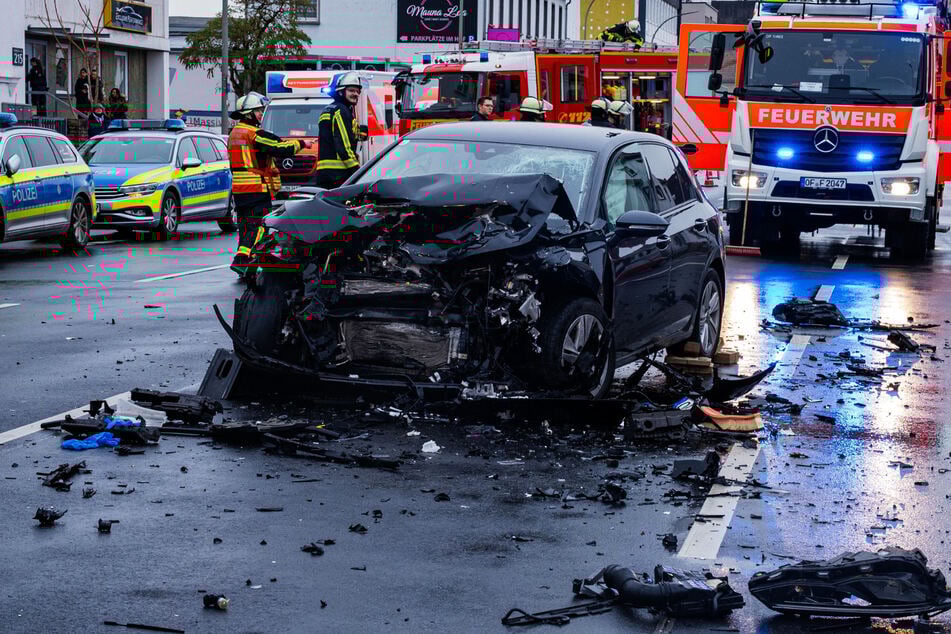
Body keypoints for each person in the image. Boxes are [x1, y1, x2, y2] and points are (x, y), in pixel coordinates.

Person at [227, 91, 312, 277]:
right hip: (256, 188)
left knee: (246, 226)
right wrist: (301, 143)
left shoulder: (235, 133)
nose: (261, 114)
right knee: (260, 225)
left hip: (239, 190)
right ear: (248, 113)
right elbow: (279, 148)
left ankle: (245, 261)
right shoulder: (253, 133)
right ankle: (244, 261)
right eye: (258, 111)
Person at [316, 72, 363, 189]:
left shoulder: (328, 109)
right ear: (341, 91)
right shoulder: (341, 111)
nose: (356, 94)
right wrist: (356, 170)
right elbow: (343, 143)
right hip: (338, 173)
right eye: (352, 90)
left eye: (357, 91)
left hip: (325, 172)